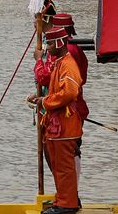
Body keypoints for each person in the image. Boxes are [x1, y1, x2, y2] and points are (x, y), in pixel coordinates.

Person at [32, 25, 84, 214]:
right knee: (57, 164)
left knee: (63, 167)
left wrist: (45, 101)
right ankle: (63, 198)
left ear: (59, 43)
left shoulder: (68, 64)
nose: (47, 47)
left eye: (50, 43)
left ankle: (67, 204)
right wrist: (40, 99)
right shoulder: (60, 62)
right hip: (57, 124)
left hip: (65, 125)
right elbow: (54, 88)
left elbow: (70, 92)